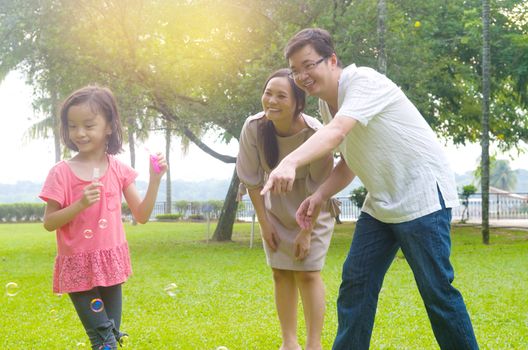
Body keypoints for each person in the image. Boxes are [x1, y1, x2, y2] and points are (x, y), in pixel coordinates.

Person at [261, 28, 479, 349]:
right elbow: (350, 162)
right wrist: (319, 195)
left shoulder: (364, 82)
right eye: (295, 70)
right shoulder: (328, 104)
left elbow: (335, 134)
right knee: (356, 284)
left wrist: (289, 163)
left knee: (437, 293)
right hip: (381, 204)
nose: (302, 76)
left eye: (309, 65)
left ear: (332, 60)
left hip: (421, 198)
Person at [39, 85, 167, 350]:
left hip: (110, 262)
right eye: (73, 126)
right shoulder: (61, 172)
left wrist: (155, 180)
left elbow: (141, 215)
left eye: (88, 125)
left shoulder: (118, 169)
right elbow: (49, 222)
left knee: (113, 334)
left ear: (109, 126)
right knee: (103, 338)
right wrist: (80, 204)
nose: (80, 133)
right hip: (78, 265)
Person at [237, 68, 337, 350]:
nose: (272, 101)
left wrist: (306, 232)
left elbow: (319, 186)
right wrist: (265, 223)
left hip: (312, 205)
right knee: (280, 272)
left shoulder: (315, 132)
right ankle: (288, 343)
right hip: (276, 208)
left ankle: (313, 344)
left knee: (308, 272)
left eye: (282, 96)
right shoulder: (254, 127)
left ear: (298, 104)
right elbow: (252, 180)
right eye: (268, 93)